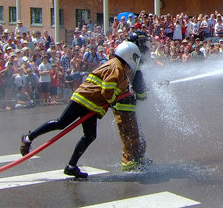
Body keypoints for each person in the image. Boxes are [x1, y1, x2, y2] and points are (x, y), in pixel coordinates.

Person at [19, 42, 142, 179]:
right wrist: (114, 100)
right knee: (60, 123)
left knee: (90, 136)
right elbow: (107, 92)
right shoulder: (116, 68)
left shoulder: (118, 67)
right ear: (130, 56)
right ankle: (28, 138)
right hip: (83, 99)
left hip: (91, 104)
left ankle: (71, 166)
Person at [112, 32, 151, 172]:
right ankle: (128, 164)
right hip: (123, 105)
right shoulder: (134, 58)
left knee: (137, 134)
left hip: (128, 104)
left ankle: (138, 159)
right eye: (143, 43)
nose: (145, 46)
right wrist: (142, 93)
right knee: (130, 135)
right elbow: (138, 82)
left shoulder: (131, 56)